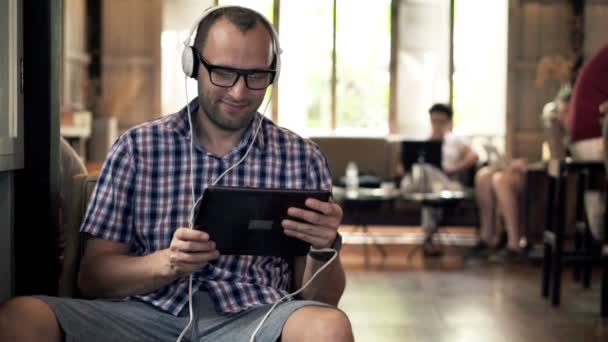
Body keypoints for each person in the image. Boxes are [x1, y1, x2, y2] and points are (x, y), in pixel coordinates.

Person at [0, 6, 353, 342]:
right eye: (224, 72)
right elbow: (93, 277)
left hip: (255, 316)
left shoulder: (301, 158)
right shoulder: (137, 147)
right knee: (22, 317)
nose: (239, 91)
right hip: (144, 313)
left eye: (256, 76)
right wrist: (165, 263)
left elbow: (321, 301)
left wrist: (324, 248)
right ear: (193, 65)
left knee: (328, 327)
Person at [469, 87, 572, 262]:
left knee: (501, 179)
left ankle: (514, 243)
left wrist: (529, 167)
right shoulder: (556, 128)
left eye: (565, 111)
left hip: (551, 179)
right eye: (560, 111)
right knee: (484, 175)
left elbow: (561, 161)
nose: (560, 116)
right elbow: (550, 158)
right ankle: (488, 237)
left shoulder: (571, 130)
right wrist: (522, 164)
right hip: (543, 170)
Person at [397, 103, 479, 256]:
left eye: (441, 121)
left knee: (427, 175)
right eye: (433, 121)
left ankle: (428, 239)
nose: (436, 125)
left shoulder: (455, 141)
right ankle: (414, 186)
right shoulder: (423, 143)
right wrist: (404, 168)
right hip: (426, 185)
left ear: (449, 122)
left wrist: (454, 169)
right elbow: (401, 167)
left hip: (445, 183)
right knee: (425, 181)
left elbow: (474, 157)